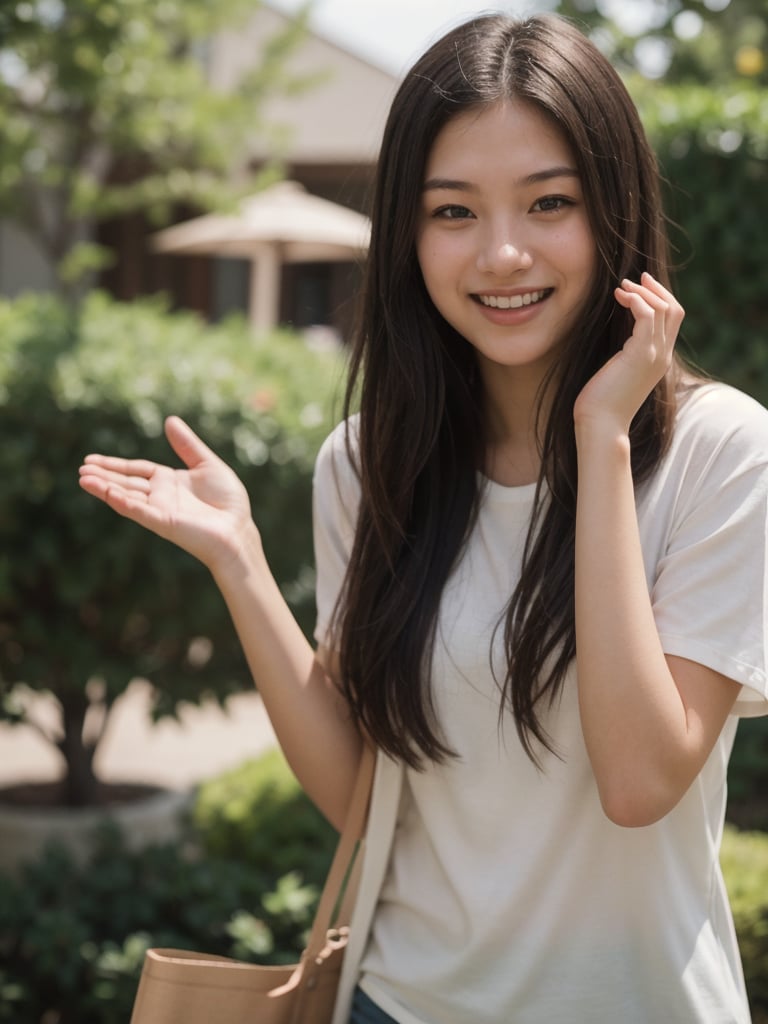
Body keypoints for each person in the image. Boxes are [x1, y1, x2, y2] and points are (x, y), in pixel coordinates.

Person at [79, 12, 768, 1024]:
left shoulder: (721, 452)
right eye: (453, 212)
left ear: (615, 210)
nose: (500, 252)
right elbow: (366, 796)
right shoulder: (367, 465)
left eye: (550, 202)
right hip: (400, 1004)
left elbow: (637, 780)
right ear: (407, 229)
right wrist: (241, 566)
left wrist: (602, 437)